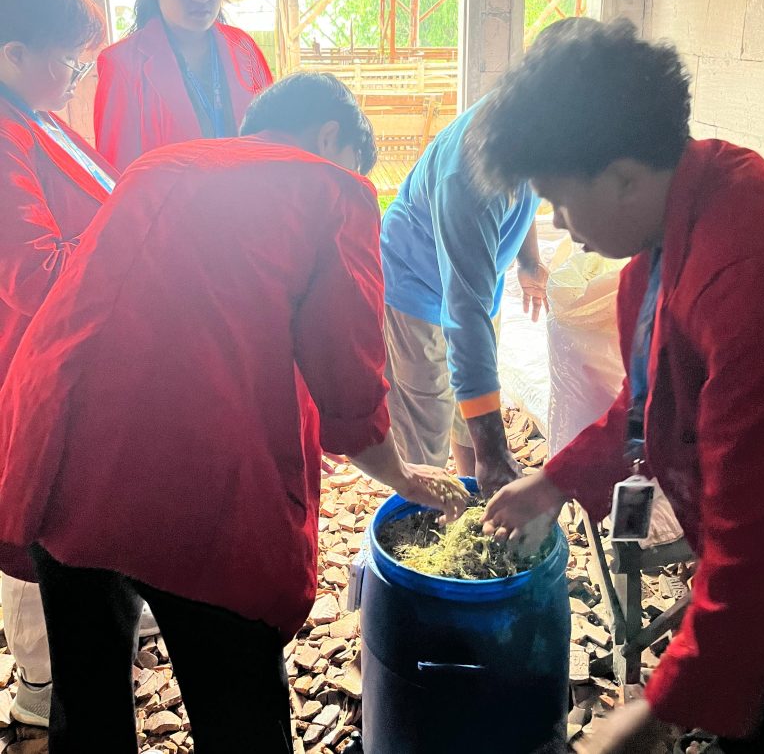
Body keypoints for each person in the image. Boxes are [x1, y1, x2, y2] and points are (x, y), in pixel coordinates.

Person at [0, 72, 467, 753]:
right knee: (238, 711)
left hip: (57, 452)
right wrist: (401, 473)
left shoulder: (157, 166)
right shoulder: (332, 188)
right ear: (331, 138)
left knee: (88, 699)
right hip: (196, 488)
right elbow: (347, 378)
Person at [470, 18, 764, 752]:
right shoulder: (668, 235)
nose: (559, 226)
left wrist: (661, 707)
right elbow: (646, 411)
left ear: (623, 174)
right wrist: (552, 482)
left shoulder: (750, 273)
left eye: (560, 202)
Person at [0, 0, 118, 728]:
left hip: (72, 358)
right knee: (33, 518)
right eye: (66, 57)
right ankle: (43, 691)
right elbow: (34, 270)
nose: (76, 73)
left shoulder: (32, 113)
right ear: (12, 51)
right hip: (29, 362)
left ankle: (92, 649)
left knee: (71, 513)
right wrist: (135, 247)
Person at [380, 102, 548, 497]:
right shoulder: (472, 173)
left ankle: (473, 493)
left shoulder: (541, 133)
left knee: (470, 404)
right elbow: (463, 316)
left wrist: (529, 261)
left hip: (477, 282)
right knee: (426, 426)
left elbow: (528, 196)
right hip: (415, 282)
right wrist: (495, 451)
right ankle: (420, 527)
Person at [94, 0, 273, 170]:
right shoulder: (123, 65)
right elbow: (118, 175)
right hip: (171, 211)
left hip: (250, 207)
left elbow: (275, 140)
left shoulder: (243, 49)